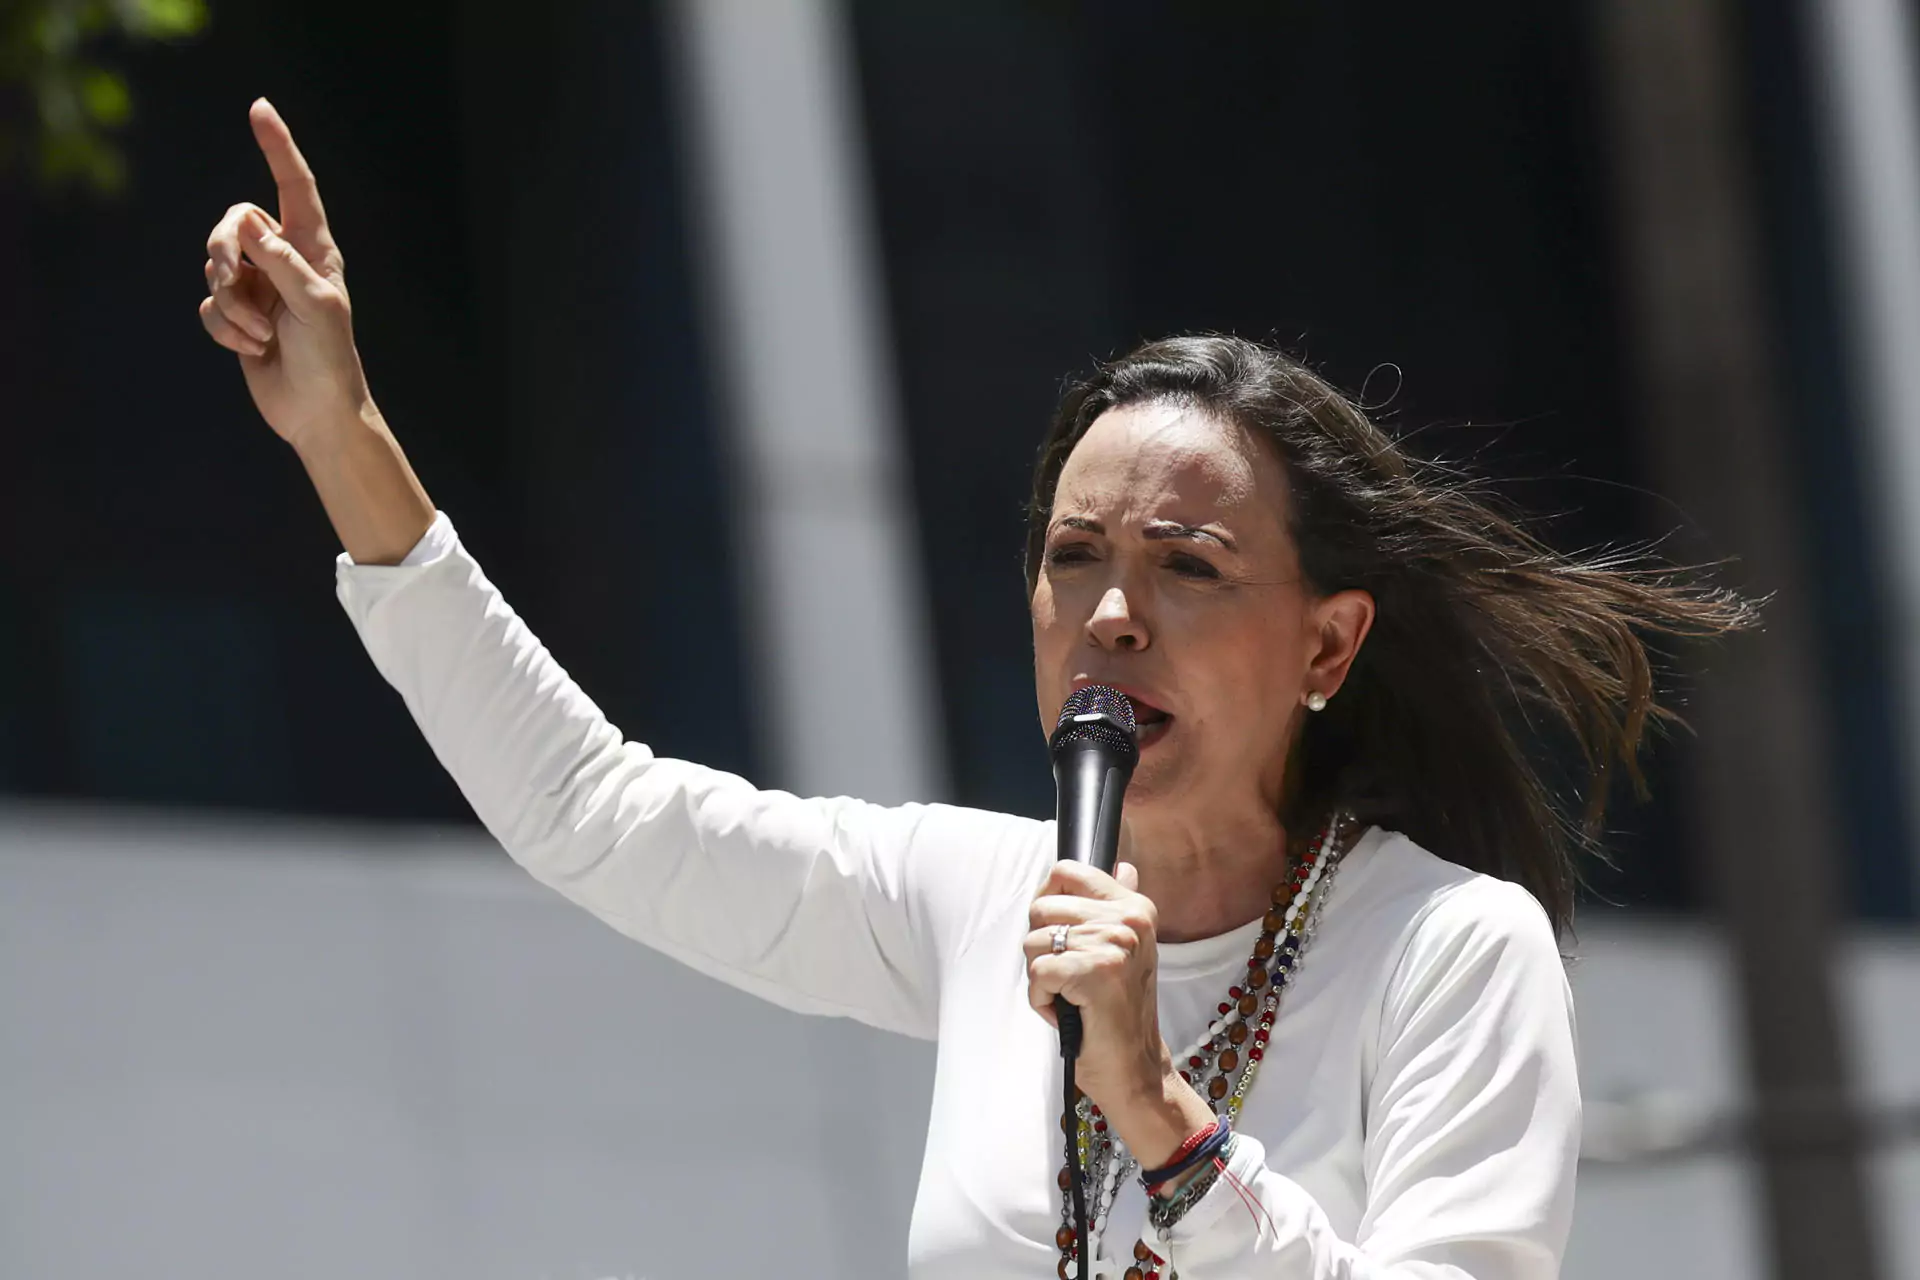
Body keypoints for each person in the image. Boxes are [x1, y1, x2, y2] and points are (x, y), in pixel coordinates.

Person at [198, 100, 1753, 1280]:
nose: (1112, 617)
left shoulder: (1449, 949)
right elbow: (593, 813)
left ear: (1329, 648)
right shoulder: (981, 897)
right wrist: (342, 432)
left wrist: (1161, 1113)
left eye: (1189, 566)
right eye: (1073, 558)